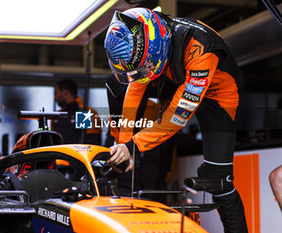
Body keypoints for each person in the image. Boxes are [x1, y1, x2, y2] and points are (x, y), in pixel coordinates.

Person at [104, 8, 247, 233]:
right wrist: (123, 143)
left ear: (157, 48)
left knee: (220, 180)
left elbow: (177, 117)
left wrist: (134, 146)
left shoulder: (201, 49)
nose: (142, 71)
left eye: (144, 66)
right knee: (116, 84)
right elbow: (134, 91)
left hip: (218, 98)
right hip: (178, 76)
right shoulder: (145, 44)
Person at [52, 78, 101, 145]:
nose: (55, 97)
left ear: (65, 93)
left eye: (56, 93)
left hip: (78, 154)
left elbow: (92, 143)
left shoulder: (84, 113)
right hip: (58, 154)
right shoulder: (56, 116)